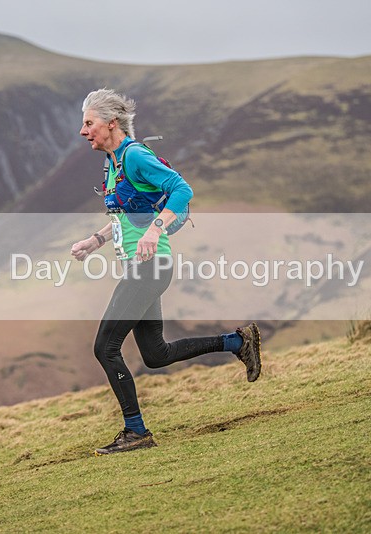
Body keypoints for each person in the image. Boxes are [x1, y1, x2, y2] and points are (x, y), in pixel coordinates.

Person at [71, 88, 262, 455]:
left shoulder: (136, 156)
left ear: (111, 123)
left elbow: (181, 189)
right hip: (140, 267)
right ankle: (238, 341)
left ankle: (136, 431)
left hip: (150, 267)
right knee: (155, 354)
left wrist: (156, 229)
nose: (83, 131)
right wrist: (95, 240)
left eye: (88, 123)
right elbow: (127, 213)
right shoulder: (113, 162)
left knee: (105, 348)